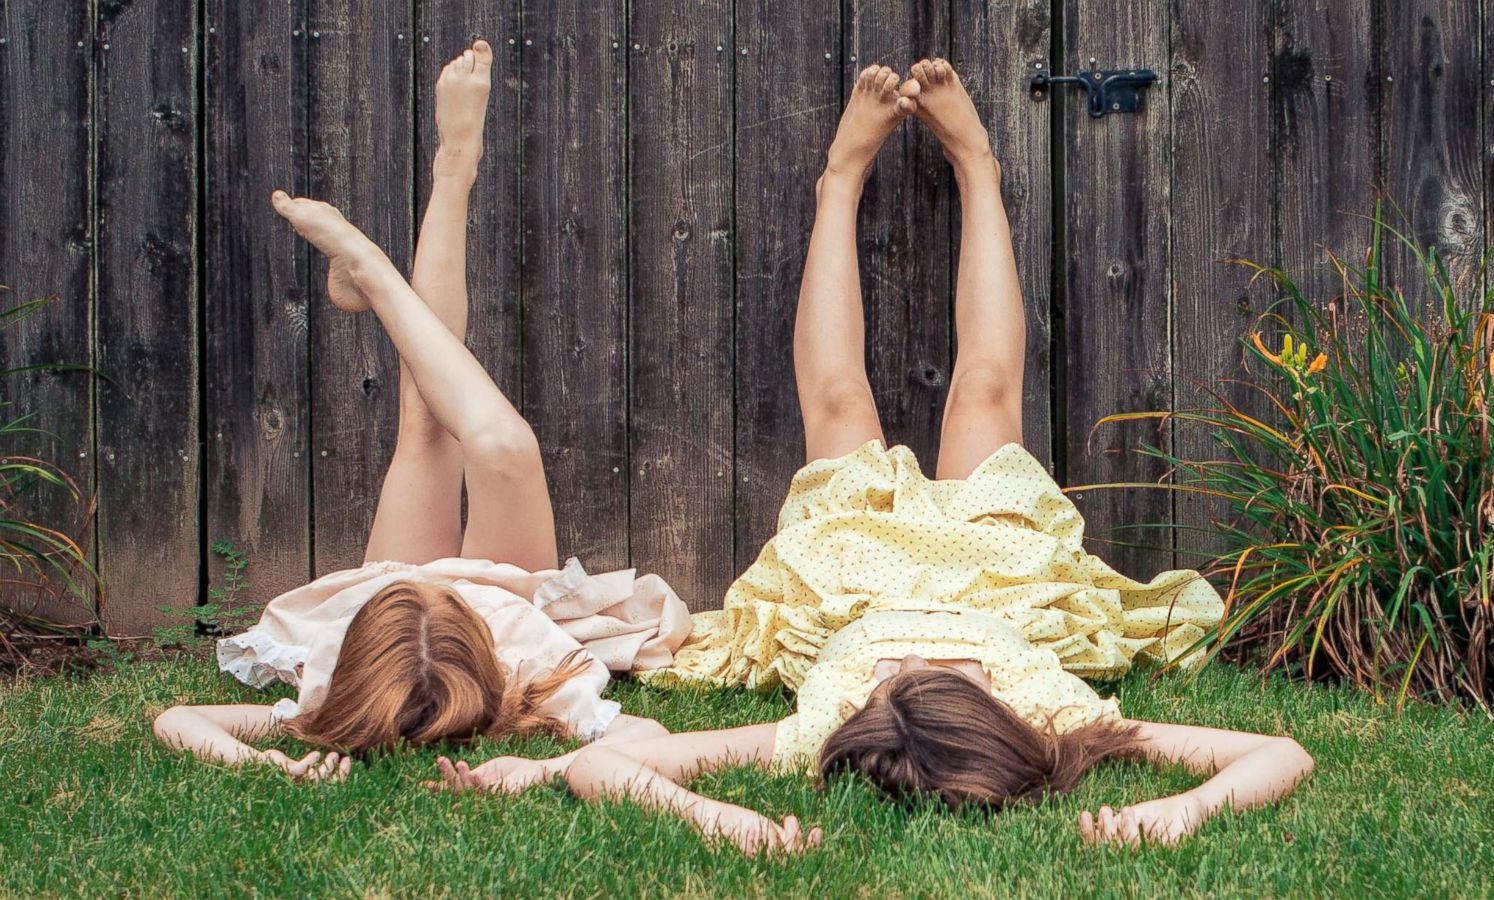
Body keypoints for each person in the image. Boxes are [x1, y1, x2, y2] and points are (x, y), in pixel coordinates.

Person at [429, 59, 1312, 856]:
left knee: (839, 400)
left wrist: (723, 821)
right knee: (985, 391)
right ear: (1000, 713)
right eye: (936, 680)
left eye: (895, 682)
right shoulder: (1056, 715)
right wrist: (1179, 812)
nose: (910, 668)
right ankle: (978, 169)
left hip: (854, 575)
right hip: (996, 575)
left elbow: (611, 769)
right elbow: (1281, 752)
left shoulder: (825, 726)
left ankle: (839, 180)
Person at [153, 41, 690, 781]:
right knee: (504, 446)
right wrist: (534, 770)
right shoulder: (526, 671)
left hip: (390, 604)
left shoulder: (329, 678)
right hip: (494, 605)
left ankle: (436, 187)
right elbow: (652, 734)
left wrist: (275, 765)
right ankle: (403, 232)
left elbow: (179, 721)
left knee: (425, 418)